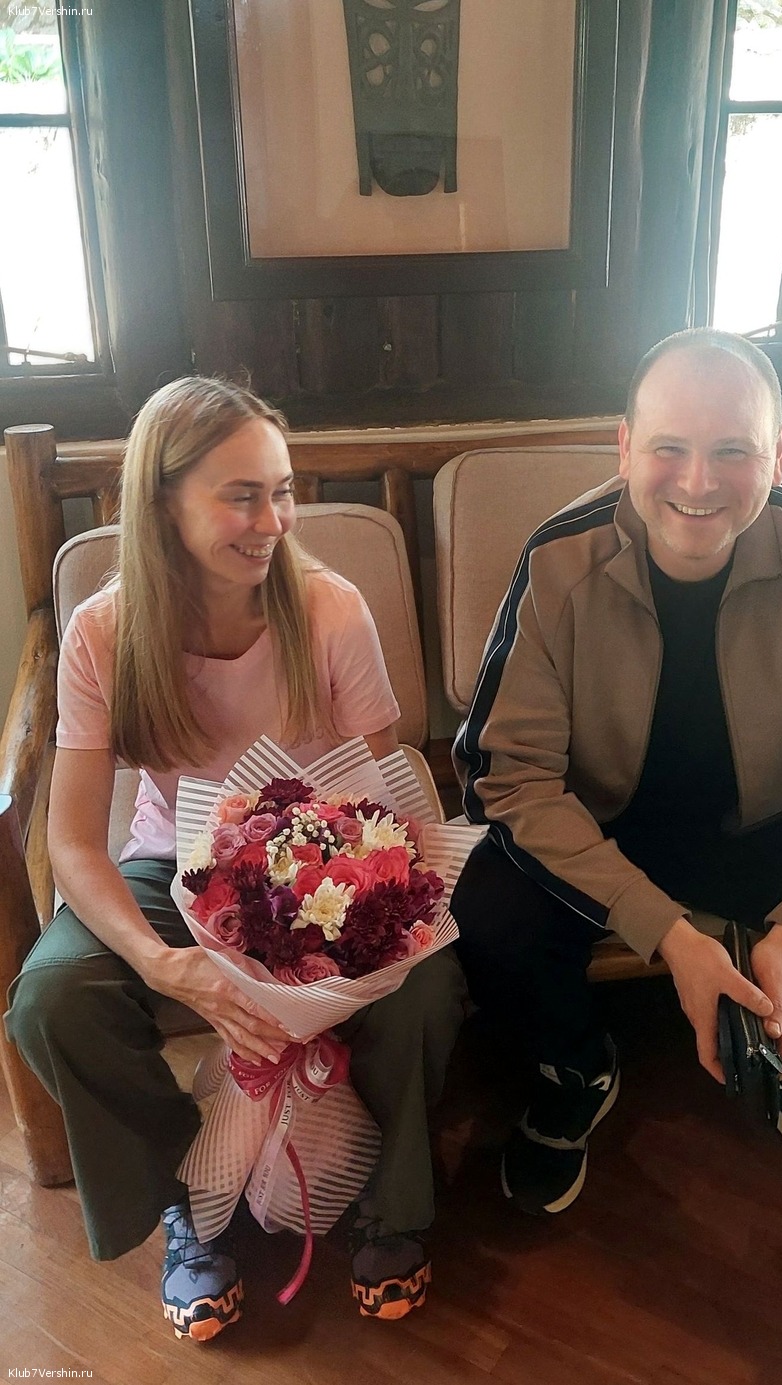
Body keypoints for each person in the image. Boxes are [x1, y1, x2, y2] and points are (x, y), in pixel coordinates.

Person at [450, 328, 782, 1223]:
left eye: (733, 450)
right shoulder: (558, 560)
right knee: (488, 904)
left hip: (768, 827)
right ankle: (576, 1067)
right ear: (625, 447)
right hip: (607, 831)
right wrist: (667, 932)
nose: (698, 483)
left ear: (777, 453)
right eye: (670, 447)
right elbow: (511, 781)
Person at [4, 377, 464, 1339]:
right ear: (162, 501)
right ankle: (187, 1191)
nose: (274, 521)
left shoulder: (329, 608)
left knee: (427, 981)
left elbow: (384, 789)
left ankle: (391, 1203)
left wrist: (350, 942)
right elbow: (73, 839)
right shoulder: (103, 631)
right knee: (52, 998)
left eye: (282, 491)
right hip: (176, 865)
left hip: (326, 864)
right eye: (242, 495)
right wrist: (160, 960)